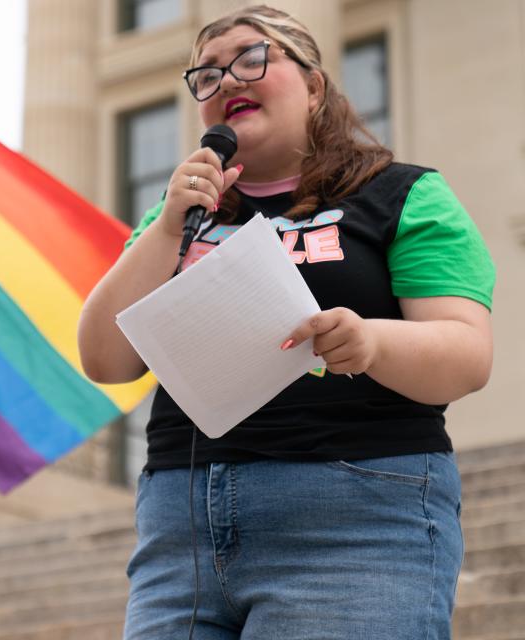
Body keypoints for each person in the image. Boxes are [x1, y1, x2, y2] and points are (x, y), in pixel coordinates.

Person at [78, 5, 495, 639]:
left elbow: (467, 356)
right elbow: (106, 359)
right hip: (180, 532)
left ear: (315, 86)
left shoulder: (403, 195)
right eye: (208, 75)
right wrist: (167, 224)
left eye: (252, 58)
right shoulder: (180, 217)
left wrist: (369, 339)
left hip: (352, 521)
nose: (228, 81)